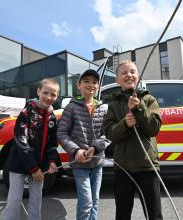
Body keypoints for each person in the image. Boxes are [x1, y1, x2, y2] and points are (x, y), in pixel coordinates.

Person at [104, 60, 163, 220]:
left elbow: (154, 129)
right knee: (122, 214)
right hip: (123, 168)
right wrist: (125, 123)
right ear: (117, 79)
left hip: (147, 165)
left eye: (132, 72)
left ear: (139, 77)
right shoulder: (113, 105)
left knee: (154, 214)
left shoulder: (149, 100)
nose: (128, 75)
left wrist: (139, 108)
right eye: (123, 73)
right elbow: (110, 134)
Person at [4, 78, 60, 220]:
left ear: (57, 96)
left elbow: (52, 144)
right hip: (19, 165)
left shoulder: (53, 118)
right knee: (14, 200)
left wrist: (52, 161)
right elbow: (21, 141)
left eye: (53, 94)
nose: (49, 97)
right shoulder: (26, 113)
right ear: (38, 91)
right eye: (45, 93)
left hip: (39, 167)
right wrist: (33, 168)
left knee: (36, 200)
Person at [57, 69, 109, 220]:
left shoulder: (103, 108)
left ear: (98, 87)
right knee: (86, 202)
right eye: (86, 81)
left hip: (97, 162)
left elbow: (107, 134)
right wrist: (76, 151)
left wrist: (96, 147)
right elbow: (61, 133)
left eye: (94, 82)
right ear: (78, 85)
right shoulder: (71, 107)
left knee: (95, 201)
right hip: (80, 163)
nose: (90, 84)